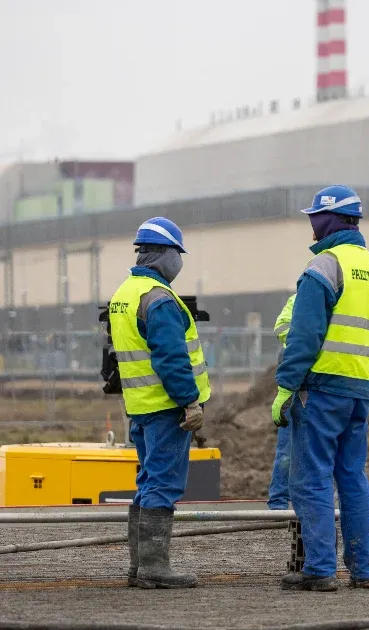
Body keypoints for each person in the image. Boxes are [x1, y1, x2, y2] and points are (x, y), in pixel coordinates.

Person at [272, 185, 369, 592]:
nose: (311, 226)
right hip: (360, 388)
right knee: (352, 478)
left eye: (314, 219)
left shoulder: (324, 267)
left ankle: (320, 570)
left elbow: (304, 337)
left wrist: (286, 387)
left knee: (310, 480)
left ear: (327, 221)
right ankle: (365, 570)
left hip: (320, 389)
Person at [108, 217, 209, 589]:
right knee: (163, 484)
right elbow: (171, 358)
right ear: (163, 254)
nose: (179, 262)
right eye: (177, 254)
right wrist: (190, 402)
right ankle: (154, 568)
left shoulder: (125, 293)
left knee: (148, 482)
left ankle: (140, 567)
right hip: (167, 408)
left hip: (140, 406)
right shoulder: (160, 298)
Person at [267, 294, 296, 510]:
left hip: (323, 384)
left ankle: (317, 505)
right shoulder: (301, 299)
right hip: (300, 385)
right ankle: (278, 502)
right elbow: (282, 327)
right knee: (287, 450)